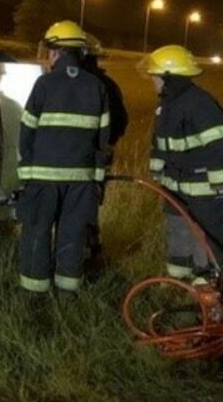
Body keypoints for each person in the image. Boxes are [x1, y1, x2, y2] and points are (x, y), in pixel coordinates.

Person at [17, 20, 109, 296]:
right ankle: (68, 293)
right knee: (73, 234)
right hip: (81, 181)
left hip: (43, 180)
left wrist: (26, 173)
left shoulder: (44, 84)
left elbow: (27, 130)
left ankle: (35, 294)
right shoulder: (96, 86)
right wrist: (98, 180)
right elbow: (102, 139)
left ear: (56, 52)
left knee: (37, 232)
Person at [145, 45, 223, 278]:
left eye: (155, 74)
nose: (151, 79)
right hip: (176, 187)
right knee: (179, 237)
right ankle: (178, 284)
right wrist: (157, 174)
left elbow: (220, 145)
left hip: (205, 189)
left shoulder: (200, 104)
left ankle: (208, 294)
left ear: (169, 77)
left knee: (205, 243)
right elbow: (161, 145)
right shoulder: (167, 105)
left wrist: (218, 189)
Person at [81, 34, 128, 273]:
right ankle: (92, 251)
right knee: (90, 206)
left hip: (71, 160)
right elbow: (121, 122)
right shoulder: (108, 85)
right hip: (100, 159)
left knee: (71, 207)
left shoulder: (66, 83)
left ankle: (78, 256)